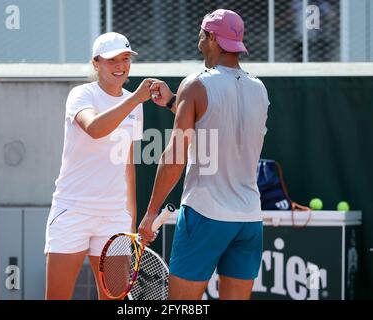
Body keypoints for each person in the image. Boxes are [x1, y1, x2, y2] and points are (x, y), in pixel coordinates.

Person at [138, 9, 270, 300]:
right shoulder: (260, 89)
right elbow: (218, 123)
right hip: (248, 219)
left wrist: (150, 214)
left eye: (201, 35)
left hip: (205, 214)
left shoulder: (196, 84)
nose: (198, 41)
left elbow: (174, 157)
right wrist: (175, 100)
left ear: (212, 38)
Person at [44, 32, 154, 300]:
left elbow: (128, 163)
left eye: (125, 59)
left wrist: (131, 218)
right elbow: (95, 128)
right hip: (73, 210)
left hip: (114, 216)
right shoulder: (81, 95)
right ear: (96, 63)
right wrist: (134, 99)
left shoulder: (134, 104)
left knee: (114, 300)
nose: (120, 66)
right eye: (111, 60)